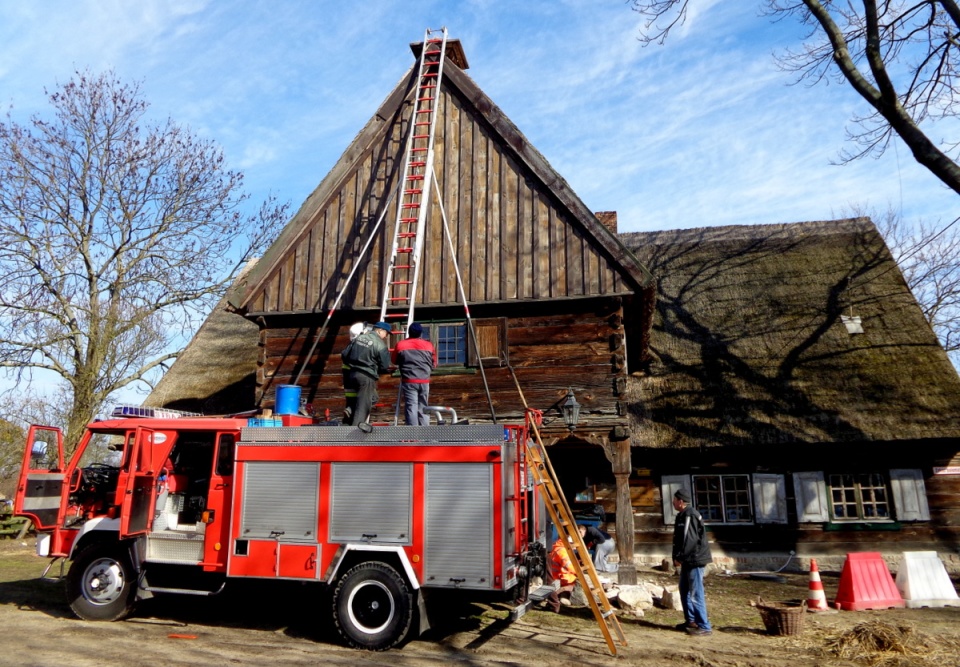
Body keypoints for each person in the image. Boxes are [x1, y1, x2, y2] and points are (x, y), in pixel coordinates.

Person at [672, 488, 713, 636]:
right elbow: (679, 539)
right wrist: (675, 556)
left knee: (696, 593)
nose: (672, 502)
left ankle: (704, 626)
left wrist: (680, 558)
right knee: (684, 590)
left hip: (695, 559)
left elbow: (689, 540)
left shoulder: (690, 515)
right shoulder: (682, 516)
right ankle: (691, 621)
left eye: (674, 500)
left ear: (680, 502)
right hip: (688, 559)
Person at [341, 321, 392, 428]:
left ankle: (350, 410)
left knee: (373, 398)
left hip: (352, 374)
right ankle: (355, 432)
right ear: (379, 330)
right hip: (366, 376)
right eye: (386, 333)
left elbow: (345, 355)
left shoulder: (358, 338)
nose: (386, 336)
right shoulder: (380, 345)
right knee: (363, 405)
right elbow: (384, 365)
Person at [392, 322, 436, 426]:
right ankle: (425, 434)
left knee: (411, 406)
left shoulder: (401, 345)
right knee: (423, 406)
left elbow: (394, 360)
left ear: (409, 332)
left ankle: (413, 435)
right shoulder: (429, 345)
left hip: (409, 380)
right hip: (425, 380)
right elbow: (434, 362)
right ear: (421, 333)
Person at [341, 322, 368, 424]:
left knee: (351, 402)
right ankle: (354, 422)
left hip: (348, 379)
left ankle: (349, 414)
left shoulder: (350, 346)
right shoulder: (359, 346)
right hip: (356, 377)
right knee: (363, 402)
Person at [544, 534, 578, 612]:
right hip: (559, 577)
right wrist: (579, 572)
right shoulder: (563, 552)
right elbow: (569, 566)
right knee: (573, 578)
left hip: (554, 575)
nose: (575, 548)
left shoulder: (557, 547)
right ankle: (564, 596)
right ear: (570, 543)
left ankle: (562, 596)